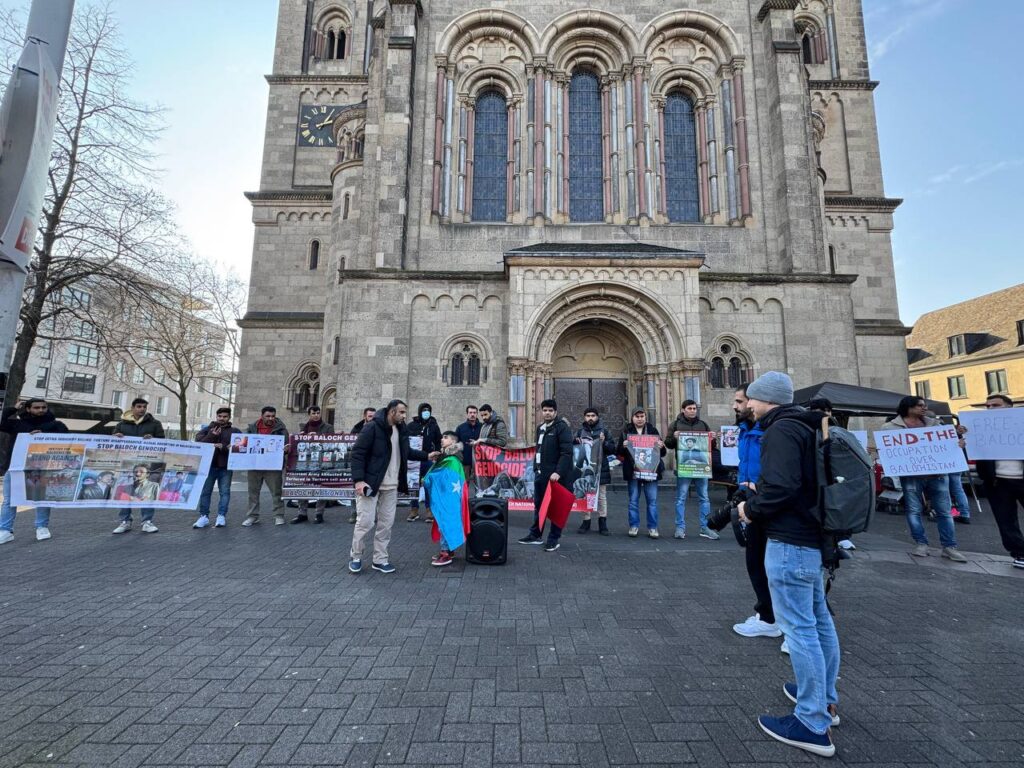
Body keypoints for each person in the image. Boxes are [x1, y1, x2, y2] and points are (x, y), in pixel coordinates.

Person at [736, 371, 839, 758]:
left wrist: (750, 510)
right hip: (811, 537)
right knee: (818, 621)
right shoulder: (807, 425)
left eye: (752, 398)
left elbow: (780, 488)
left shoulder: (780, 430)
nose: (748, 405)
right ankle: (825, 699)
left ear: (767, 399)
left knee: (799, 630)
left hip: (789, 540)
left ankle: (812, 722)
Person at [348, 399, 431, 574]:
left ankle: (380, 559)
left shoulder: (401, 429)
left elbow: (407, 452)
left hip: (391, 485)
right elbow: (357, 453)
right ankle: (356, 556)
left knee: (386, 524)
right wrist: (359, 480)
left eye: (404, 412)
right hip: (371, 483)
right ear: (391, 412)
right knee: (365, 522)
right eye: (401, 412)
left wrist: (427, 456)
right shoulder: (372, 427)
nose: (404, 416)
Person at [881, 396, 967, 562]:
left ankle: (949, 547)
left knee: (944, 511)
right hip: (911, 476)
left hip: (938, 475)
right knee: (914, 511)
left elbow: (949, 445)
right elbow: (887, 451)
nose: (924, 408)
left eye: (924, 405)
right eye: (920, 405)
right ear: (908, 407)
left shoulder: (935, 425)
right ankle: (921, 543)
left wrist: (958, 441)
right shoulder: (889, 428)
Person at [729, 385, 784, 643]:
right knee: (756, 561)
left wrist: (758, 489)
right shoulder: (744, 429)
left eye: (740, 401)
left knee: (781, 567)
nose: (736, 406)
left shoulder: (775, 430)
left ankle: (795, 630)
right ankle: (768, 617)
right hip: (753, 503)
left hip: (773, 504)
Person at [0, 398, 68, 544]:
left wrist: (44, 435)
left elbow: (67, 440)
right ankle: (5, 530)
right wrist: (13, 409)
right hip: (15, 467)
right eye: (36, 408)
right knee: (9, 500)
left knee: (41, 498)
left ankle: (42, 527)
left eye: (43, 407)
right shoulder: (17, 424)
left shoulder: (57, 425)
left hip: (42, 467)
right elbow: (1, 422)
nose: (41, 410)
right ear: (28, 409)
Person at [517, 399, 573, 551]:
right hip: (541, 476)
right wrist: (536, 469)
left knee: (557, 508)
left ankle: (553, 539)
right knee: (539, 506)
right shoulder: (540, 428)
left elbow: (567, 453)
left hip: (556, 478)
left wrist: (558, 472)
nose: (547, 413)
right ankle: (535, 535)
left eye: (550, 410)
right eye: (545, 410)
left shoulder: (562, 428)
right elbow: (539, 450)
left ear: (555, 412)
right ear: (541, 411)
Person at [975, 393, 1024, 569]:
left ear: (1009, 407)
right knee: (1005, 520)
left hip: (1020, 478)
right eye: (988, 406)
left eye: (995, 405)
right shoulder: (981, 428)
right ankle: (1020, 553)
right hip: (997, 482)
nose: (990, 408)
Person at [112, 398, 165, 534]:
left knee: (147, 493)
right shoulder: (122, 424)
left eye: (144, 407)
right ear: (133, 408)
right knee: (126, 492)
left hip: (146, 462)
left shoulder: (155, 424)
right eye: (139, 406)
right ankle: (125, 521)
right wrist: (116, 436)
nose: (142, 409)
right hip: (127, 463)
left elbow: (162, 441)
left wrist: (153, 439)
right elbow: (113, 441)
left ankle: (147, 521)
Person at [665, 400, 715, 540]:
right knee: (681, 498)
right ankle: (680, 528)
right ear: (683, 410)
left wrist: (712, 439)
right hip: (684, 468)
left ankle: (705, 528)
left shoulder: (703, 424)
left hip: (702, 468)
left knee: (704, 498)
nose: (693, 410)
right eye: (690, 408)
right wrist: (674, 438)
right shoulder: (675, 425)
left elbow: (710, 448)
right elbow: (668, 444)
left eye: (694, 408)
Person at [616, 407, 666, 538]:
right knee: (633, 500)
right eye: (637, 417)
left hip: (651, 471)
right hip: (633, 471)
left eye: (642, 416)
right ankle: (634, 526)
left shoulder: (653, 430)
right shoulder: (626, 431)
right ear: (632, 418)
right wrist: (623, 446)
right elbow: (619, 453)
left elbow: (662, 453)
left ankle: (653, 527)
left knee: (652, 501)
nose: (640, 419)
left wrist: (661, 446)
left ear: (645, 417)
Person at [423, 430, 469, 567]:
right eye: (442, 437)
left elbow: (438, 475)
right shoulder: (447, 457)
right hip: (447, 496)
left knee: (445, 522)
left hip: (448, 497)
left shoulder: (451, 460)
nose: (442, 439)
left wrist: (426, 478)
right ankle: (448, 550)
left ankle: (445, 554)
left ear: (453, 441)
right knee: (445, 521)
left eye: (445, 437)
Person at [242, 406, 289, 527]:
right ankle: (253, 516)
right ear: (262, 416)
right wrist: (235, 446)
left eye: (273, 416)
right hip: (255, 465)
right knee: (253, 492)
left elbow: (287, 446)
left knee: (276, 492)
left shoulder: (282, 430)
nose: (271, 418)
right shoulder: (252, 428)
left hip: (273, 466)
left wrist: (286, 450)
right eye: (268, 416)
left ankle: (279, 515)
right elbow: (243, 442)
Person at [193, 407, 239, 528]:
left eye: (225, 416)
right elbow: (199, 444)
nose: (222, 418)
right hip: (209, 466)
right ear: (216, 416)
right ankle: (204, 516)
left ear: (229, 417)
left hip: (226, 467)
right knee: (205, 492)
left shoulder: (235, 431)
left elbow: (241, 447)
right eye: (220, 416)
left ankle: (221, 516)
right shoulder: (206, 429)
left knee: (225, 492)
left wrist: (224, 447)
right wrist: (212, 436)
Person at [574, 407, 616, 535]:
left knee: (601, 497)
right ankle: (586, 521)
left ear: (597, 417)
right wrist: (575, 441)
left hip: (601, 469)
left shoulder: (604, 431)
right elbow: (574, 449)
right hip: (585, 470)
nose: (590, 418)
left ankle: (602, 522)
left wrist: (604, 442)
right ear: (584, 417)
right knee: (585, 495)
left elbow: (612, 449)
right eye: (588, 416)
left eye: (593, 415)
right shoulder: (580, 432)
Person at [291, 405, 334, 524]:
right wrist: (302, 438)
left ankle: (319, 513)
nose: (316, 415)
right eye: (313, 413)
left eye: (318, 413)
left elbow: (331, 443)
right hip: (305, 461)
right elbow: (297, 444)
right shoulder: (303, 427)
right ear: (309, 414)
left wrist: (317, 438)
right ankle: (302, 513)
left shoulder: (328, 427)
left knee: (321, 486)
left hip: (321, 460)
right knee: (303, 486)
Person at [406, 403, 441, 523]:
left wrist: (437, 455)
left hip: (429, 459)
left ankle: (429, 510)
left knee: (428, 485)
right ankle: (414, 509)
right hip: (414, 459)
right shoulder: (411, 425)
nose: (426, 412)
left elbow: (438, 441)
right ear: (420, 412)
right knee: (413, 484)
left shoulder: (434, 425)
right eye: (424, 410)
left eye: (428, 410)